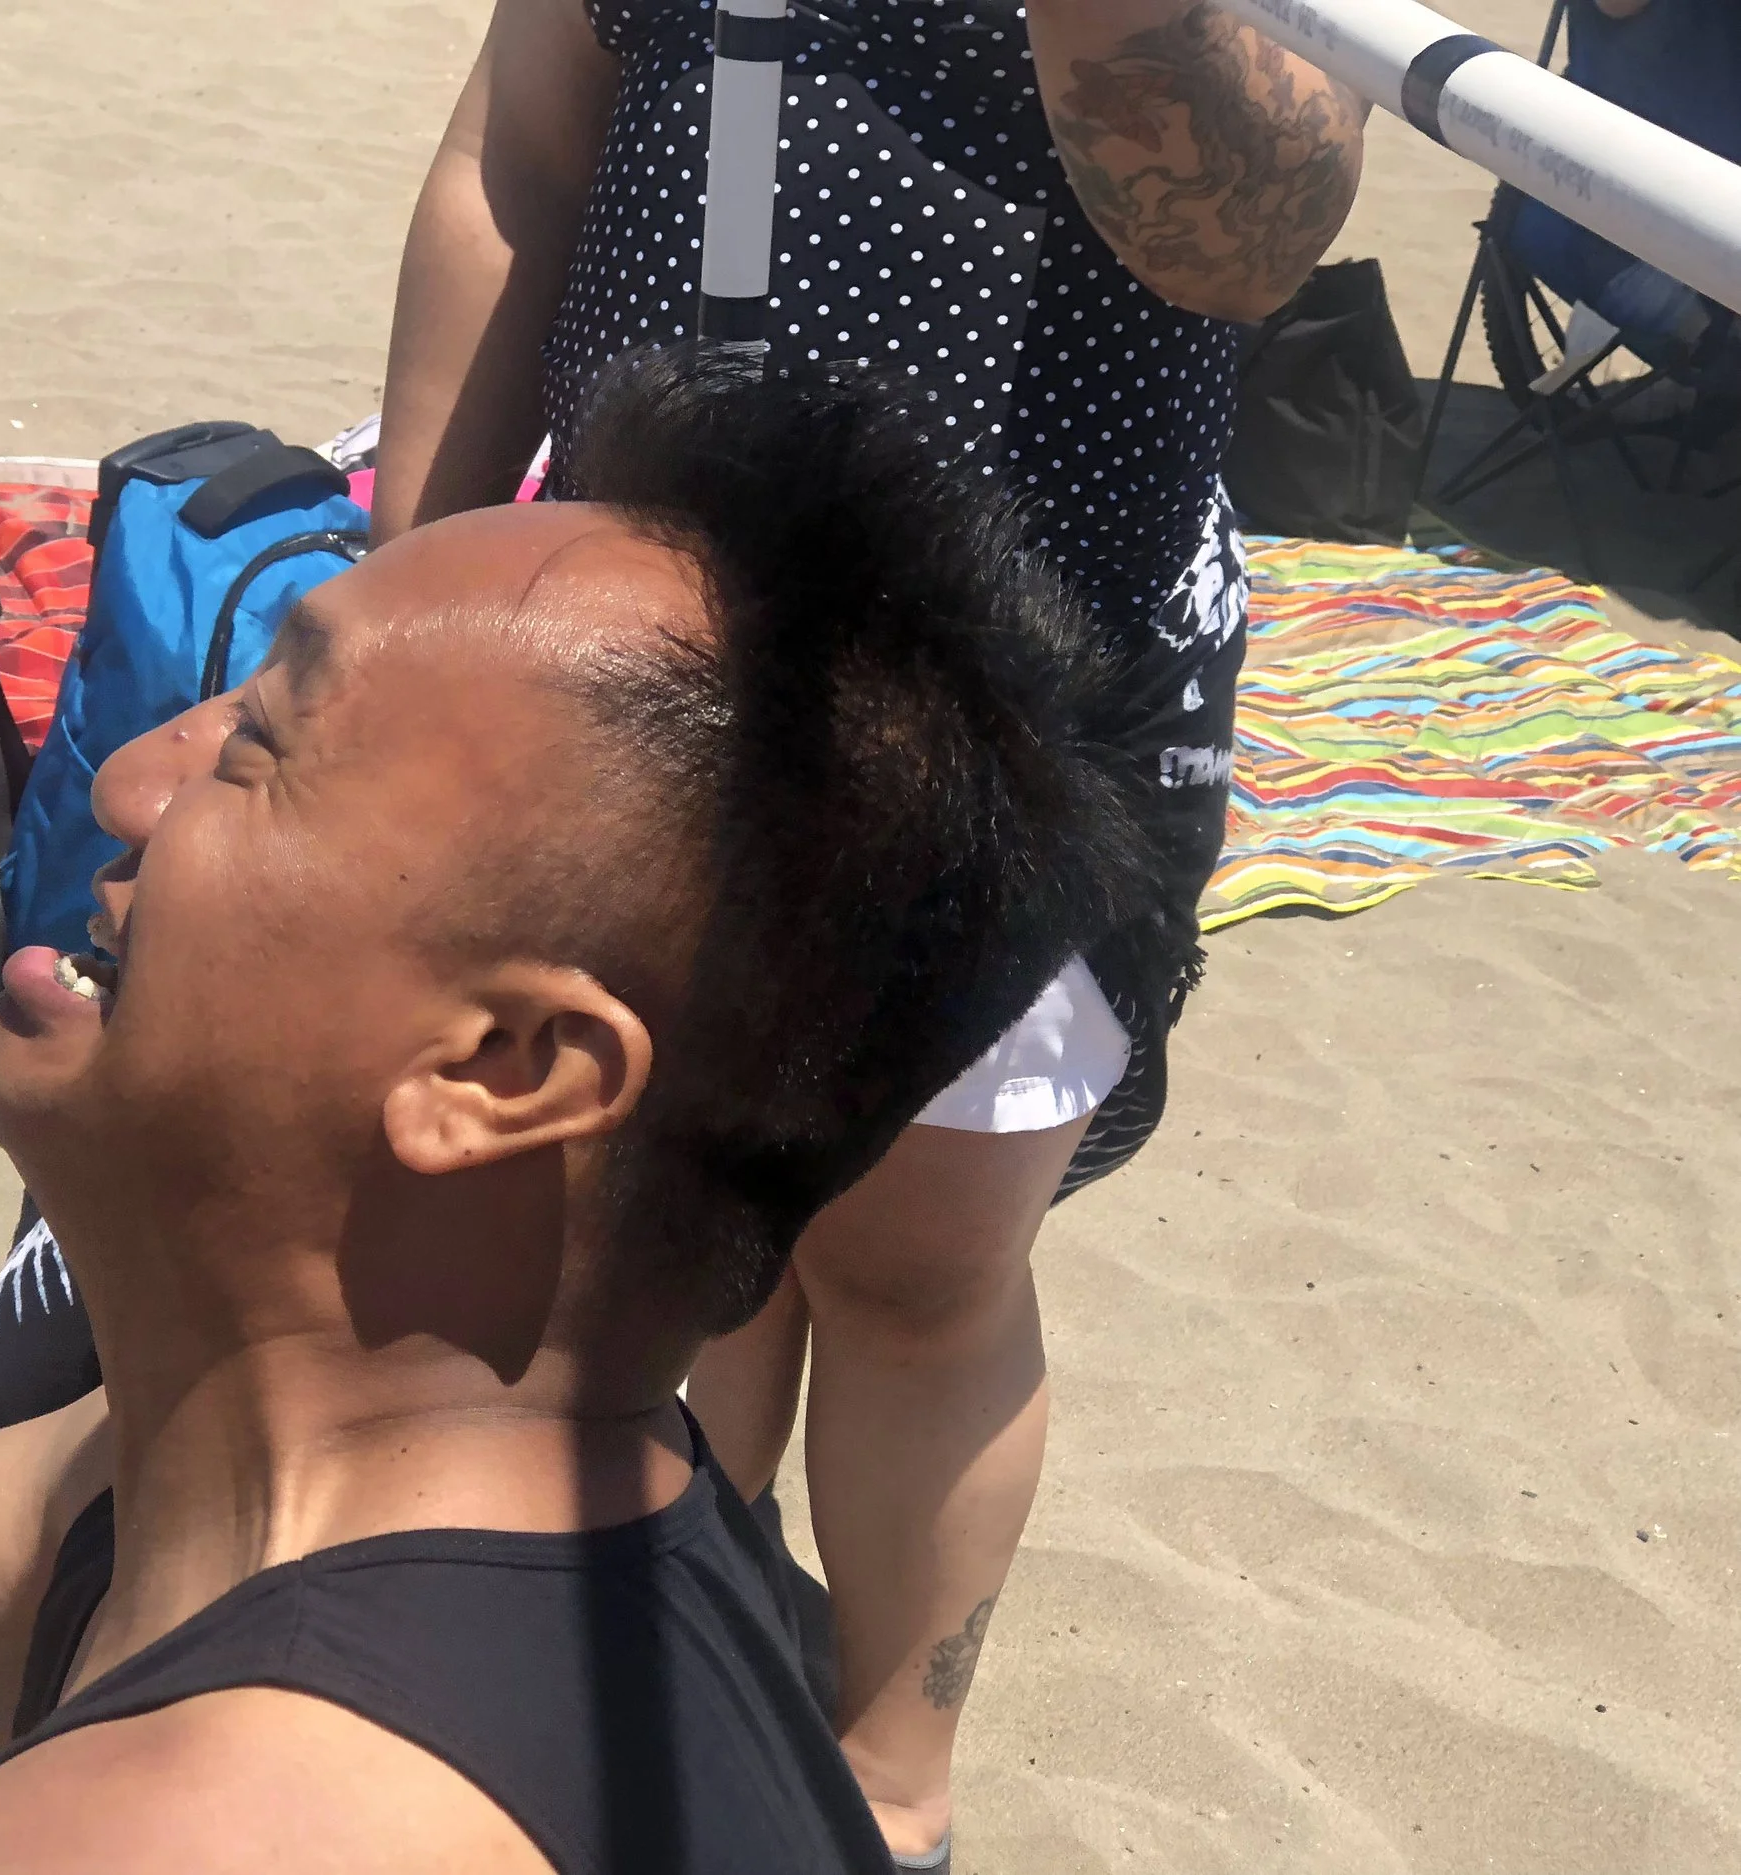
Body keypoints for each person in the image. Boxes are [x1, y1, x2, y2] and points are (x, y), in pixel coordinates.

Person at [0, 356, 1153, 1875]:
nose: (128, 781)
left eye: (260, 744)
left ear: (505, 1073)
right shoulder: (485, 1516)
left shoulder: (226, 1825)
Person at [368, 4, 1369, 1864]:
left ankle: (891, 1784)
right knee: (685, 1184)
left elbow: (1257, 233)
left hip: (1016, 664)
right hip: (649, 624)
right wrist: (406, 577)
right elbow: (515, 158)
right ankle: (705, 1591)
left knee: (915, 1258)